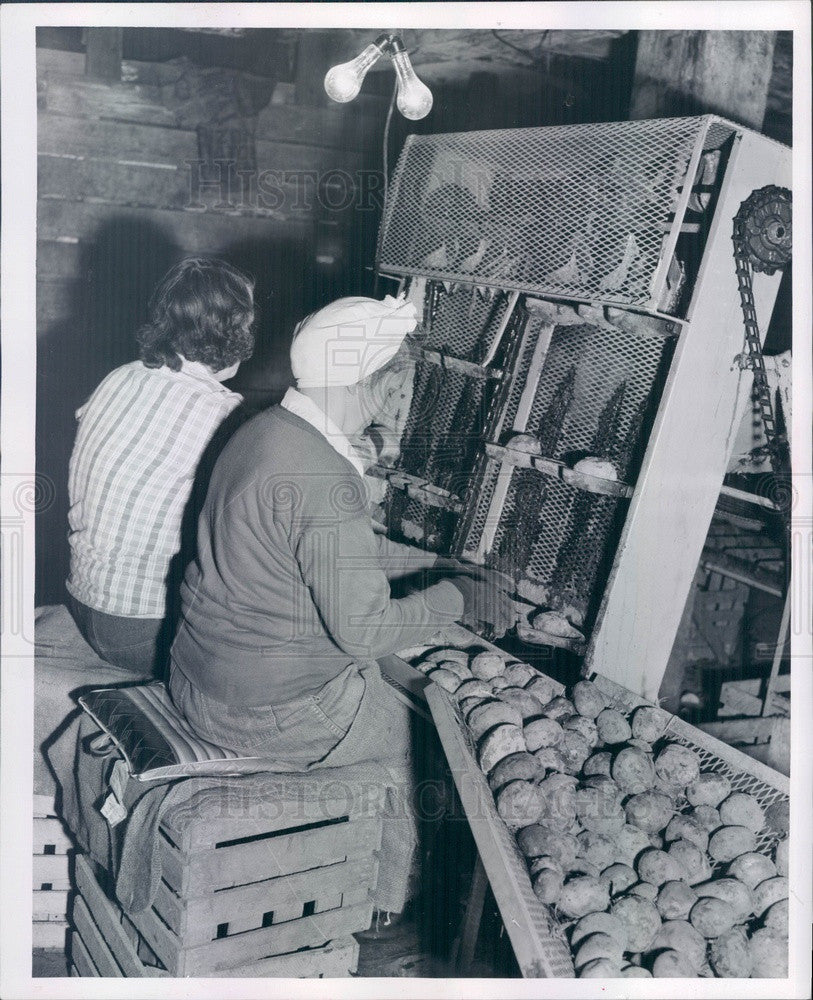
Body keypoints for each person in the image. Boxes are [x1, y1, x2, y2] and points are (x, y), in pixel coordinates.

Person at [168, 293, 513, 918]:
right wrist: (459, 598)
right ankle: (379, 908)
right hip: (259, 710)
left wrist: (434, 568)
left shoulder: (262, 429)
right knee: (422, 734)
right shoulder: (324, 474)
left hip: (196, 677)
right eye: (401, 388)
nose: (403, 405)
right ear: (369, 383)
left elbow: (330, 550)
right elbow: (364, 631)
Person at [65, 256, 256, 677]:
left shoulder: (119, 376)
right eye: (247, 324)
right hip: (143, 628)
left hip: (81, 599)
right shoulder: (223, 411)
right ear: (235, 329)